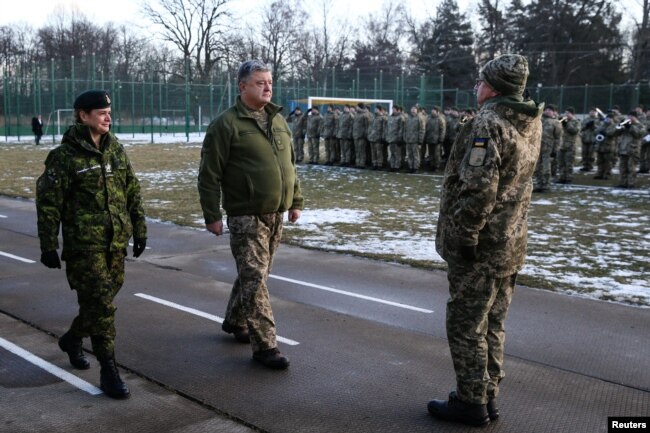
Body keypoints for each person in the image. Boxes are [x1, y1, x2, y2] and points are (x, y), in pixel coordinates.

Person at [430, 54, 542, 427]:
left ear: (492, 87)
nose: (476, 87)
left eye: (481, 81)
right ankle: (488, 393)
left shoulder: (488, 123)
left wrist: (464, 237)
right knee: (493, 322)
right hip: (510, 241)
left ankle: (470, 401)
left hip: (481, 245)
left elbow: (479, 189)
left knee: (466, 324)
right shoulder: (529, 120)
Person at [36, 90, 147, 399]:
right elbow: (48, 203)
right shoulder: (64, 157)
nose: (108, 117)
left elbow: (132, 191)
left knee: (102, 301)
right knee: (101, 305)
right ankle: (108, 369)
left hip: (115, 243)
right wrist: (48, 244)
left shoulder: (116, 150)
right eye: (101, 112)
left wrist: (139, 230)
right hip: (84, 245)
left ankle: (72, 339)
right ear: (83, 116)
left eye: (109, 111)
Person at [197, 60, 303, 370]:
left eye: (270, 81)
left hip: (276, 214)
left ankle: (234, 319)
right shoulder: (226, 125)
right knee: (256, 278)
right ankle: (266, 346)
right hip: (246, 216)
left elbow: (291, 167)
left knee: (256, 273)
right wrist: (211, 214)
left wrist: (295, 200)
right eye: (260, 82)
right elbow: (209, 175)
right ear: (243, 86)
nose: (268, 87)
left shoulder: (279, 121)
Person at [533, 104, 561, 192]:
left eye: (550, 110)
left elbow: (558, 137)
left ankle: (546, 185)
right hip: (538, 147)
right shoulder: (538, 120)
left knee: (546, 167)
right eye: (547, 109)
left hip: (548, 148)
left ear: (553, 112)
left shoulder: (556, 122)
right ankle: (539, 183)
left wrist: (555, 149)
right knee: (537, 166)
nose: (548, 111)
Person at [614, 111, 645, 188]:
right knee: (622, 168)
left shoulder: (640, 125)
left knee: (631, 168)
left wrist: (630, 127)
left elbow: (639, 134)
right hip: (623, 149)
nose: (629, 118)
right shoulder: (625, 125)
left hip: (633, 150)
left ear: (635, 117)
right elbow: (615, 133)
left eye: (631, 117)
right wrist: (620, 126)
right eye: (628, 116)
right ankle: (622, 183)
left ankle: (631, 184)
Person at [555, 107, 581, 184]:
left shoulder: (576, 122)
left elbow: (575, 131)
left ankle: (568, 178)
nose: (566, 115)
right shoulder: (564, 121)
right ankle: (562, 177)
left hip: (570, 146)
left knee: (568, 163)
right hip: (562, 145)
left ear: (572, 114)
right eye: (565, 113)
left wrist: (567, 124)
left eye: (568, 113)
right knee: (561, 162)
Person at [403, 105, 426, 173]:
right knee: (409, 155)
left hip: (415, 140)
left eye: (414, 109)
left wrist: (420, 141)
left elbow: (422, 130)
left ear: (417, 110)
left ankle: (416, 168)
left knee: (416, 155)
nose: (413, 110)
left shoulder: (420, 118)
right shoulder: (408, 118)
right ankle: (410, 167)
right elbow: (405, 129)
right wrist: (405, 137)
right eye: (412, 108)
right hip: (408, 140)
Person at [579, 108, 602, 172]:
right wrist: (586, 126)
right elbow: (581, 128)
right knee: (584, 153)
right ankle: (585, 165)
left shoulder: (598, 120)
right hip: (585, 138)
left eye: (594, 112)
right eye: (591, 111)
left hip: (593, 139)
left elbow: (600, 129)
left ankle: (590, 165)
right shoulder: (586, 119)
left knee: (591, 153)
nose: (592, 113)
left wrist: (593, 126)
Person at [425, 106, 446, 171]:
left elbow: (442, 130)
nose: (432, 112)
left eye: (434, 111)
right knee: (431, 154)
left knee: (436, 154)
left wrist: (440, 139)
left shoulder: (440, 119)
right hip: (430, 139)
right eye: (432, 110)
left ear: (437, 112)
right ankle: (431, 165)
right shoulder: (429, 118)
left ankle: (436, 166)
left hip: (437, 140)